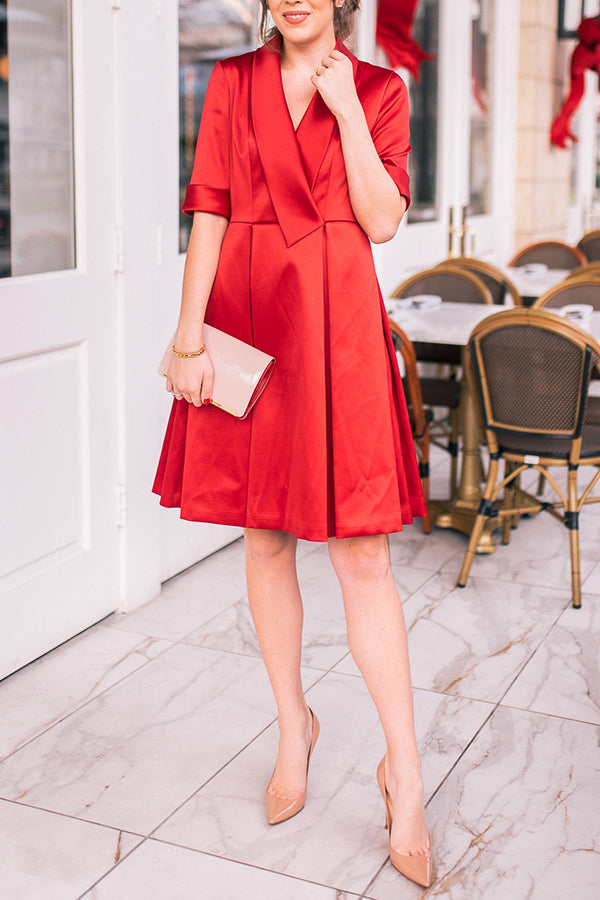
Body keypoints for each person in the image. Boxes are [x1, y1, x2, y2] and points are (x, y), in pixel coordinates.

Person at [153, 0, 432, 888]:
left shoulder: (383, 88)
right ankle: (293, 728)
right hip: (252, 315)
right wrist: (189, 335)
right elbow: (211, 212)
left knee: (364, 556)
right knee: (264, 535)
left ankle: (407, 773)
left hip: (339, 324)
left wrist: (347, 107)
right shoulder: (232, 82)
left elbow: (382, 221)